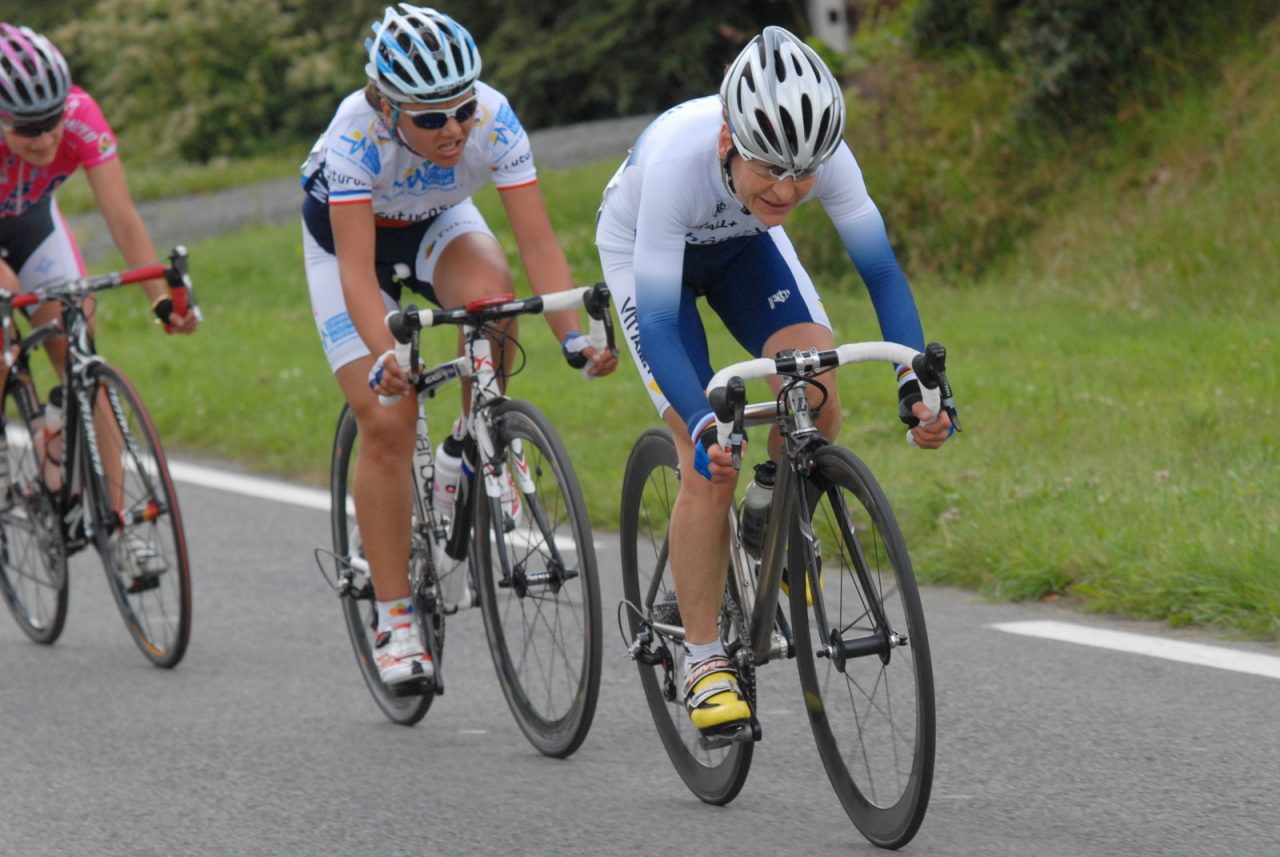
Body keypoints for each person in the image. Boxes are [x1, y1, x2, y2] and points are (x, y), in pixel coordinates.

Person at [595, 26, 953, 740]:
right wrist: (701, 422)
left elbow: (881, 273)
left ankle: (770, 507)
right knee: (708, 460)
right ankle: (702, 661)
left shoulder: (813, 163)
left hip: (743, 247)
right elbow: (661, 325)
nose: (790, 188)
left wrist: (919, 384)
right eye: (772, 171)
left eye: (804, 173)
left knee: (817, 388)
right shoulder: (676, 163)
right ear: (729, 140)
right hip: (648, 256)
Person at [301, 4, 616, 689]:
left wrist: (572, 337)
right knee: (387, 418)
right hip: (348, 252)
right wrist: (385, 353)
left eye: (462, 109)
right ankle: (394, 617)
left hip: (437, 222)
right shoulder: (354, 137)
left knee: (492, 301)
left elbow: (537, 241)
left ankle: (464, 448)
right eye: (431, 118)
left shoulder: (494, 119)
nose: (454, 129)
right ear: (387, 109)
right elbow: (357, 273)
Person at [0, 23, 198, 583]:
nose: (44, 139)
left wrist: (162, 299)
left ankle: (122, 524)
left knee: (80, 336)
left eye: (52, 121)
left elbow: (122, 218)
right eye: (27, 127)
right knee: (6, 311)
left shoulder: (83, 115)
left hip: (33, 224)